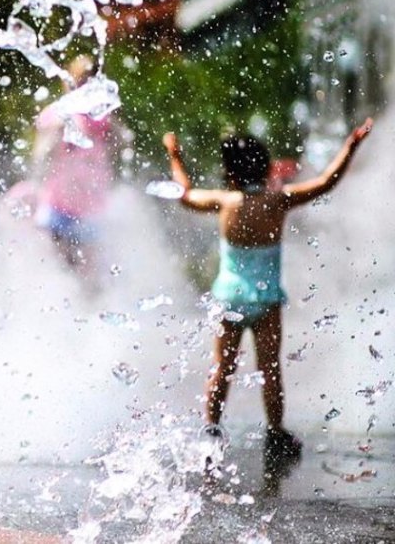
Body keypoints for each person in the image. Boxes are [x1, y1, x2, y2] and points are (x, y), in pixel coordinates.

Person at [162, 118, 373, 470]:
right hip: (265, 300)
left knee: (222, 368)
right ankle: (275, 433)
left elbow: (183, 195)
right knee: (270, 369)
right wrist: (351, 144)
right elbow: (326, 183)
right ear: (264, 168)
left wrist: (175, 155)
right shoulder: (278, 201)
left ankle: (211, 429)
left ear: (229, 171)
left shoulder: (225, 201)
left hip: (229, 297)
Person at [32, 56, 114, 274]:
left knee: (88, 269)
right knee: (59, 267)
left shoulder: (102, 116)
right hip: (58, 202)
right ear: (67, 82)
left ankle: (92, 304)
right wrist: (56, 132)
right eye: (79, 80)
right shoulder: (55, 113)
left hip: (91, 205)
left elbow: (121, 146)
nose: (83, 86)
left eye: (89, 80)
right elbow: (39, 156)